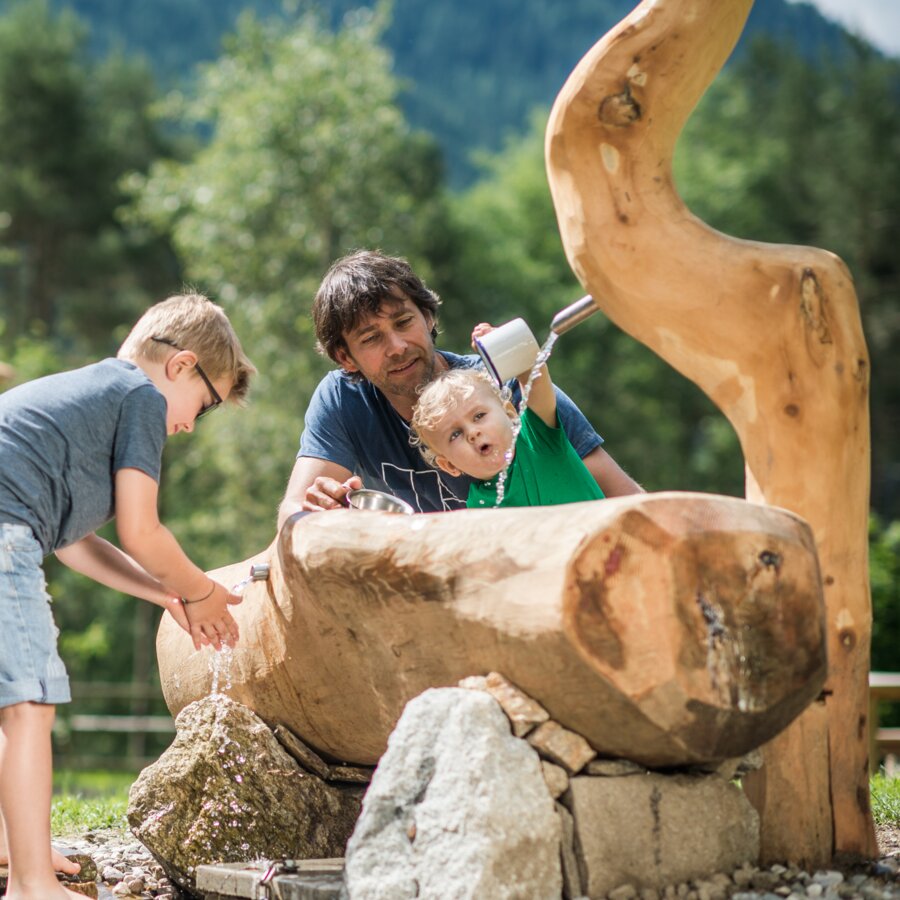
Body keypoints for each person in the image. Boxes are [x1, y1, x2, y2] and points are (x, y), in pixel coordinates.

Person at [0, 293, 255, 900]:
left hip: (16, 525)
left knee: (7, 697)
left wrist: (167, 594)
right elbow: (143, 530)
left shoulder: (90, 401)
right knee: (28, 702)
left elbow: (75, 546)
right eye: (207, 404)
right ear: (180, 366)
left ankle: (12, 847)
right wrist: (202, 591)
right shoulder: (139, 397)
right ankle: (34, 885)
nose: (192, 423)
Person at [278, 250, 640, 523]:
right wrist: (317, 507)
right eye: (372, 338)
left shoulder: (496, 383)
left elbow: (622, 495)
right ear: (346, 358)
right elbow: (293, 516)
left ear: (428, 316)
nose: (398, 346)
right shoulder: (343, 400)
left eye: (404, 322)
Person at [409, 323, 605, 508]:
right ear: (449, 465)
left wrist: (503, 343)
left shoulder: (538, 441)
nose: (473, 433)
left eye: (479, 416)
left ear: (510, 414)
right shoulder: (478, 510)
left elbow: (533, 374)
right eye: (455, 434)